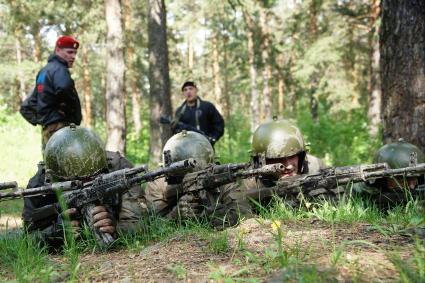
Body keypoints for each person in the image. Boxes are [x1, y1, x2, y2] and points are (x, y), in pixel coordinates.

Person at [22, 125, 144, 249]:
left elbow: (138, 223)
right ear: (55, 178)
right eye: (73, 184)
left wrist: (115, 227)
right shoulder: (39, 186)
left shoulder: (119, 169)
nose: (84, 187)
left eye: (92, 179)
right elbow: (28, 238)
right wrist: (54, 234)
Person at [142, 131, 249, 229]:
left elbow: (245, 214)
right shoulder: (158, 183)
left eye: (202, 172)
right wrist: (175, 215)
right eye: (183, 177)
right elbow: (151, 226)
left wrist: (229, 217)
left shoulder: (222, 178)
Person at [20, 35, 82, 149]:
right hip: (61, 129)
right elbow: (64, 88)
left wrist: (44, 120)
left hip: (48, 130)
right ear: (58, 50)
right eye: (69, 52)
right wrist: (68, 112)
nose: (73, 56)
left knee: (50, 164)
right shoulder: (59, 69)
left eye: (75, 53)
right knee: (66, 164)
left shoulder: (44, 72)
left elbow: (26, 106)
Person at [352, 139, 425, 208]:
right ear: (383, 179)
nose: (412, 186)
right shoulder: (361, 191)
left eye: (415, 179)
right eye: (402, 180)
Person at [173, 81, 224, 146]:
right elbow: (175, 132)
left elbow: (219, 124)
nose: (188, 92)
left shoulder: (207, 107)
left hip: (205, 146)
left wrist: (213, 138)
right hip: (186, 149)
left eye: (191, 88)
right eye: (185, 90)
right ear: (183, 93)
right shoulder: (180, 112)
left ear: (196, 90)